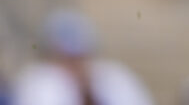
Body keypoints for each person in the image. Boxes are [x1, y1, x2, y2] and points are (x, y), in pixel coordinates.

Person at [11, 10, 154, 105]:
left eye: (80, 57)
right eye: (65, 59)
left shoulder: (113, 77)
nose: (75, 65)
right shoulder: (39, 82)